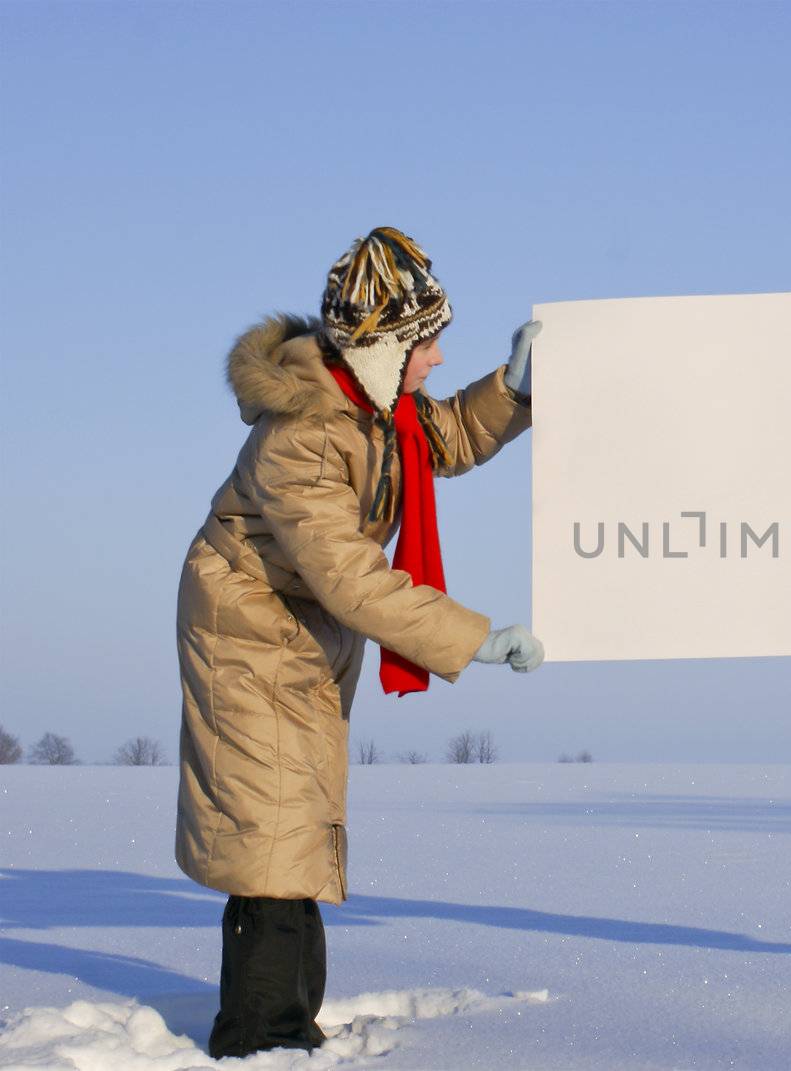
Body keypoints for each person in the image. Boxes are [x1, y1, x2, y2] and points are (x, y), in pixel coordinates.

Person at [174, 226, 546, 1058]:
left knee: (296, 824)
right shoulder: (300, 438)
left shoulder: (374, 409)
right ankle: (260, 1036)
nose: (439, 358)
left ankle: (288, 1021)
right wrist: (473, 639)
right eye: (428, 341)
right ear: (382, 346)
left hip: (301, 630)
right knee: (271, 830)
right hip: (248, 629)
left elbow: (442, 439)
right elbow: (349, 578)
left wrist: (513, 390)